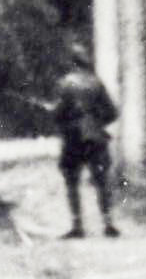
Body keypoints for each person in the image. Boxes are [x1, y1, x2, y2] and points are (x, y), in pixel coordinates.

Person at [49, 41, 122, 240]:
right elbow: (113, 113)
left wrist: (56, 113)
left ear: (71, 63)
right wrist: (96, 121)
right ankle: (108, 224)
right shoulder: (97, 83)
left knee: (71, 181)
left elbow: (58, 113)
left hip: (73, 137)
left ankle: (77, 225)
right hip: (96, 136)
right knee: (101, 181)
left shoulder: (65, 84)